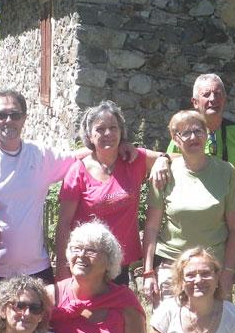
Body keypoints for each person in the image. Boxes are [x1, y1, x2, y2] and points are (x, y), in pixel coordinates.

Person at [0, 89, 160, 293]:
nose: (9, 120)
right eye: (1, 115)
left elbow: (76, 156)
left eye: (15, 114)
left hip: (37, 267)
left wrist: (119, 145)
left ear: (24, 118)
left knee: (44, 324)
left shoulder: (39, 155)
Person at [55, 101, 170, 285]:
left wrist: (164, 159)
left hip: (120, 264)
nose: (107, 134)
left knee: (118, 313)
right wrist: (62, 266)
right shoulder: (78, 171)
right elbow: (64, 224)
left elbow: (183, 160)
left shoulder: (134, 159)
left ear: (121, 132)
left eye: (113, 128)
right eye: (100, 129)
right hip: (87, 264)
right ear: (89, 135)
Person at [142, 110, 235, 306]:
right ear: (175, 139)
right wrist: (148, 272)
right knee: (169, 330)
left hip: (212, 268)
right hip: (172, 265)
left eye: (198, 131)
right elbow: (152, 228)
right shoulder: (163, 173)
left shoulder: (226, 172)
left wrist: (228, 273)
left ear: (207, 134)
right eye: (185, 133)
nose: (193, 137)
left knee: (214, 331)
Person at [166, 73, 235, 175]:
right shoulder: (183, 134)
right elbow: (169, 161)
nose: (213, 99)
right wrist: (161, 160)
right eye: (206, 94)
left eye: (217, 94)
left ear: (224, 99)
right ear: (195, 102)